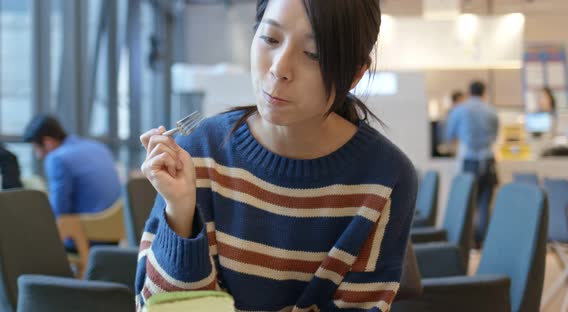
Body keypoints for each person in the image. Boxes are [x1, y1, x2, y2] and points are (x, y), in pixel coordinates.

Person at [135, 0, 418, 311]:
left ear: (354, 74)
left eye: (314, 54)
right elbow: (158, 305)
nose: (279, 68)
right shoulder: (199, 153)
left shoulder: (386, 178)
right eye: (270, 39)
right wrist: (181, 213)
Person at [23, 115, 122, 249]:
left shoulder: (57, 158)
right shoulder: (99, 147)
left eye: (36, 148)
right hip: (116, 233)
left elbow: (59, 212)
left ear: (48, 142)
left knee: (27, 238)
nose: (37, 156)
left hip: (85, 238)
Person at [446, 81, 499, 246]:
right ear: (484, 93)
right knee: (484, 203)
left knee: (468, 202)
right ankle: (482, 242)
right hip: (488, 160)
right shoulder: (492, 110)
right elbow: (496, 135)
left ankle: (467, 242)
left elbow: (449, 134)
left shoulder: (459, 110)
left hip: (468, 160)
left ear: (469, 92)